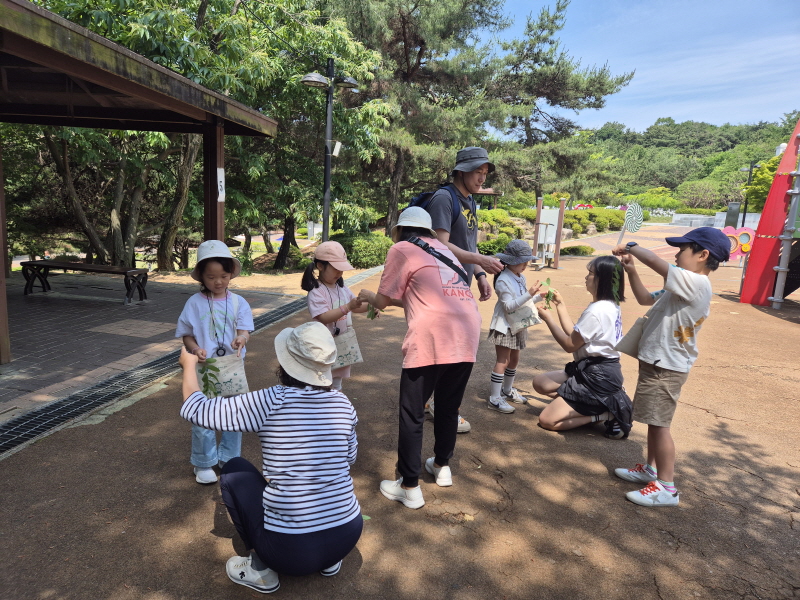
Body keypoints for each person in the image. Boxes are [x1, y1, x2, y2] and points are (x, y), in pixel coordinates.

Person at [178, 321, 362, 594]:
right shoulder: (343, 403)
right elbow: (350, 458)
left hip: (290, 552)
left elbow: (195, 409)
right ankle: (329, 561)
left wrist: (188, 365)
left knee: (234, 468)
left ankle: (261, 570)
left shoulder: (272, 400)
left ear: (286, 362)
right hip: (347, 534)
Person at [358, 207, 481, 509]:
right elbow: (418, 297)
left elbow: (383, 302)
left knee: (412, 412)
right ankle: (442, 466)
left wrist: (365, 294)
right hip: (468, 331)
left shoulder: (401, 248)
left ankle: (409, 485)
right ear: (428, 230)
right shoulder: (443, 250)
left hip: (431, 335)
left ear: (400, 230)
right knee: (448, 406)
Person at [611, 228, 730, 507]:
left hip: (667, 366)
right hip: (657, 361)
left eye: (682, 249)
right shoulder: (679, 286)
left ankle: (666, 487)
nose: (676, 254)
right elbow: (644, 299)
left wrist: (631, 245)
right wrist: (631, 271)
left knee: (659, 424)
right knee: (654, 421)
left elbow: (655, 261)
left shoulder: (697, 283)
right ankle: (652, 470)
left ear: (703, 255)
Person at [425, 146, 504, 433]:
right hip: (441, 287)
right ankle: (444, 407)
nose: (482, 178)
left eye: (485, 173)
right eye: (477, 172)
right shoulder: (444, 199)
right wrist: (479, 260)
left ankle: (431, 401)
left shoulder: (469, 200)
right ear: (461, 170)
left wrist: (480, 273)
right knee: (451, 348)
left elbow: (470, 243)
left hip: (460, 285)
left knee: (451, 347)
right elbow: (440, 245)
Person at [175, 240, 254, 484]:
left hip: (231, 366)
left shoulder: (239, 302)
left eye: (223, 275)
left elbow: (244, 330)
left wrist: (241, 338)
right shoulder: (194, 303)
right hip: (204, 367)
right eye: (211, 277)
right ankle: (204, 462)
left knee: (235, 413)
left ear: (231, 273)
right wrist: (195, 348)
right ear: (201, 277)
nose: (218, 281)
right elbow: (186, 333)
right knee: (203, 414)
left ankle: (230, 458)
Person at [532, 256, 633, 440]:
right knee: (540, 383)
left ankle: (605, 413)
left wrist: (549, 319)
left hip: (597, 377)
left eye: (591, 273)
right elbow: (575, 333)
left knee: (547, 420)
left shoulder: (598, 311)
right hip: (591, 369)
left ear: (602, 279)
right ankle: (596, 405)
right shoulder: (607, 305)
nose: (586, 277)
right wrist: (560, 305)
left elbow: (569, 345)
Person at [301, 241, 369, 391]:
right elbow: (323, 317)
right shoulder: (316, 292)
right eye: (336, 269)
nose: (340, 273)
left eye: (342, 269)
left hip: (341, 343)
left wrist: (371, 306)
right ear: (320, 266)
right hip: (324, 346)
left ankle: (333, 404)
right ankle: (321, 407)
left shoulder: (342, 288)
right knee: (323, 381)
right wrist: (347, 307)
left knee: (337, 381)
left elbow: (356, 306)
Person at [486, 239, 544, 414]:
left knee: (514, 359)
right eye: (523, 261)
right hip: (505, 326)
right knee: (502, 361)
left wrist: (538, 297)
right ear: (511, 261)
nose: (526, 264)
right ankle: (494, 398)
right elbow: (509, 306)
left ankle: (507, 390)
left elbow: (521, 302)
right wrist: (529, 294)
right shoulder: (503, 280)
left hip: (518, 323)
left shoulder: (520, 276)